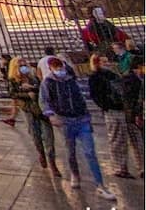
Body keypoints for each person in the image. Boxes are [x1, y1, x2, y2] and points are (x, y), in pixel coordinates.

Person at [40, 55, 116, 200]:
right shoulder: (47, 82)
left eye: (61, 67)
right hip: (65, 121)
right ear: (51, 68)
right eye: (57, 68)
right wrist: (51, 115)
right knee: (71, 151)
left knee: (90, 152)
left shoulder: (71, 79)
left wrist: (86, 114)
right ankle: (75, 174)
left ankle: (100, 185)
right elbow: (44, 101)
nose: (60, 70)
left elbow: (80, 96)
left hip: (81, 119)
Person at [89, 53, 145, 179]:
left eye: (107, 60)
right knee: (118, 140)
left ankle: (142, 167)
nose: (107, 63)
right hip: (113, 110)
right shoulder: (96, 77)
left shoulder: (115, 75)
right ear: (97, 63)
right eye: (104, 61)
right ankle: (120, 168)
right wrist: (106, 106)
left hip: (126, 109)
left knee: (136, 138)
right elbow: (96, 95)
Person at [7, 55, 60, 176]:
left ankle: (52, 162)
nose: (23, 67)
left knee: (49, 137)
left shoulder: (34, 77)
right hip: (28, 110)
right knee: (35, 135)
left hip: (41, 110)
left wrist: (32, 88)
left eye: (25, 64)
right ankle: (41, 154)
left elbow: (43, 88)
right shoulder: (13, 80)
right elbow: (12, 93)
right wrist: (26, 95)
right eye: (20, 65)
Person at [0, 53, 18, 127]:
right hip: (13, 85)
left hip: (14, 86)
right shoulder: (10, 64)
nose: (1, 61)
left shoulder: (10, 65)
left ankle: (12, 118)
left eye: (2, 59)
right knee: (14, 103)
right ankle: (12, 118)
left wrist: (2, 66)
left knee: (14, 102)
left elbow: (7, 76)